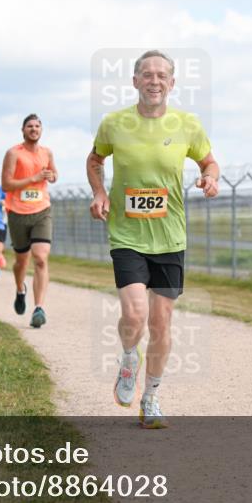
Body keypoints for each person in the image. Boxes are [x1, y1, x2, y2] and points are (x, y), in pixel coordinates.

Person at [88, 50, 220, 429]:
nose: (154, 80)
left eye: (162, 75)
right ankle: (130, 357)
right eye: (147, 74)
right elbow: (94, 160)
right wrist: (99, 193)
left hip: (170, 237)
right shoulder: (115, 123)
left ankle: (151, 398)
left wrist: (210, 177)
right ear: (134, 81)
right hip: (126, 233)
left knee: (161, 325)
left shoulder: (187, 124)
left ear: (172, 83)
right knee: (135, 314)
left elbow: (209, 161)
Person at [2, 114, 58, 327]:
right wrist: (32, 179)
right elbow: (6, 184)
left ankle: (39, 308)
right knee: (21, 262)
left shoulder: (47, 152)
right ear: (23, 130)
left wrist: (52, 177)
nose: (34, 129)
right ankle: (20, 289)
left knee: (41, 258)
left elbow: (54, 174)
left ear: (41, 130)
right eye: (30, 126)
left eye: (37, 126)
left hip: (42, 210)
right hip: (17, 213)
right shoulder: (13, 153)